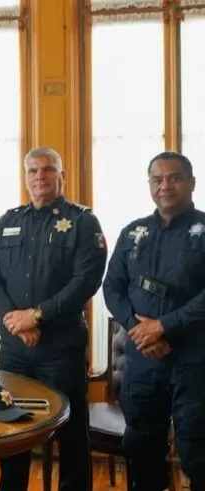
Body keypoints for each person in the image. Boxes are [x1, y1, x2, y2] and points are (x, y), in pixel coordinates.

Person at [0, 146, 107, 491]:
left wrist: (36, 317)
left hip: (60, 345)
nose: (40, 177)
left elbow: (86, 281)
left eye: (48, 169)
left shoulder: (83, 222)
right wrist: (14, 320)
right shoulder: (9, 221)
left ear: (61, 176)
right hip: (14, 347)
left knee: (70, 431)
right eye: (33, 171)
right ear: (25, 178)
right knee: (11, 426)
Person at [103, 151, 205, 491]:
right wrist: (139, 328)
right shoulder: (133, 232)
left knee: (196, 452)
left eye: (174, 178)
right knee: (142, 450)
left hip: (193, 362)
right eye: (157, 179)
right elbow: (113, 287)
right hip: (143, 359)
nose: (165, 186)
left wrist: (164, 326)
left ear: (191, 182)